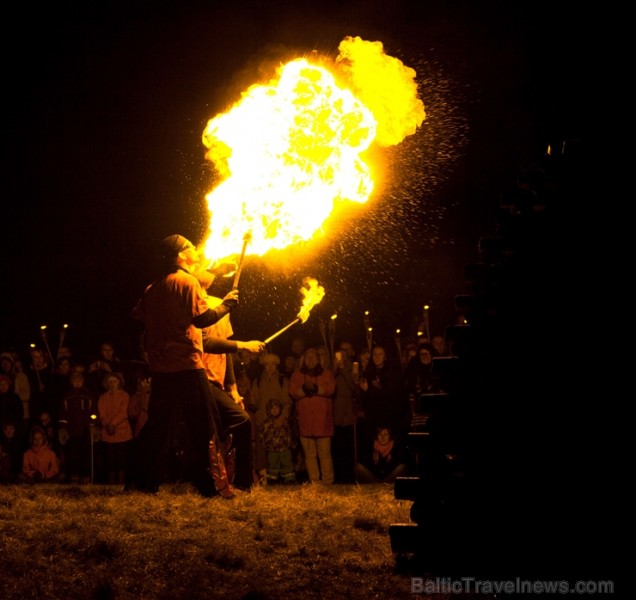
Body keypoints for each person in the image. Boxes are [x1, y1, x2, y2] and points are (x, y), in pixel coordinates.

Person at [126, 234, 239, 498]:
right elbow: (203, 319)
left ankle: (141, 482)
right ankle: (213, 486)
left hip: (161, 369)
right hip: (188, 366)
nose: (195, 249)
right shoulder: (187, 281)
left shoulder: (153, 288)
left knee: (157, 427)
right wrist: (227, 304)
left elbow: (137, 314)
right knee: (205, 426)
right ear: (180, 256)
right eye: (190, 247)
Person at [195, 265, 265, 492]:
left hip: (218, 380)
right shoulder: (193, 304)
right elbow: (208, 343)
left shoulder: (219, 302)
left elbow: (225, 349)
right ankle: (240, 484)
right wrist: (244, 345)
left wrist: (233, 386)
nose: (206, 267)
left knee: (228, 429)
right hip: (199, 376)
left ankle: (228, 481)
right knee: (240, 421)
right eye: (199, 265)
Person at [289, 347, 336, 485]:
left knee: (324, 453)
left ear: (318, 359)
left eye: (313, 356)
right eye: (307, 356)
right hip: (305, 420)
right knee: (309, 454)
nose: (310, 359)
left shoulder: (326, 374)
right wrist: (304, 390)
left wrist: (316, 389)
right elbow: (293, 392)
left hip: (323, 420)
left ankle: (328, 481)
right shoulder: (297, 375)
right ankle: (315, 481)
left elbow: (331, 390)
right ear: (303, 359)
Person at [249, 353, 291, 484]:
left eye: (273, 364)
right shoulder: (258, 380)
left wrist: (282, 417)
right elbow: (254, 400)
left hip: (278, 422)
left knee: (280, 450)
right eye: (267, 364)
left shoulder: (282, 380)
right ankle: (263, 477)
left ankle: (281, 477)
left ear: (276, 365)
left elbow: (287, 401)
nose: (270, 367)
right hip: (262, 420)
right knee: (261, 451)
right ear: (264, 365)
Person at [58, 370, 95, 484]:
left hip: (85, 430)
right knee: (73, 454)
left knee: (85, 454)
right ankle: (74, 475)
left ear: (83, 381)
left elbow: (93, 412)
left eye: (80, 379)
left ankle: (86, 475)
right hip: (71, 431)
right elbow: (62, 413)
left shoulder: (88, 395)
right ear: (71, 382)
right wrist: (63, 427)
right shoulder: (67, 396)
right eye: (75, 379)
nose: (77, 382)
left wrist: (93, 423)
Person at [98, 371, 133, 484]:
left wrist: (113, 423)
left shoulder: (124, 395)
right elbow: (101, 413)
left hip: (122, 432)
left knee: (122, 458)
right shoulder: (103, 397)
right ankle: (111, 482)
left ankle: (122, 481)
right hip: (108, 433)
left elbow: (124, 412)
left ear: (119, 383)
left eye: (114, 381)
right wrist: (107, 424)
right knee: (110, 459)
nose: (112, 384)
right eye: (110, 382)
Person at [260, 398, 296, 484]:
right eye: (272, 408)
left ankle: (289, 480)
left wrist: (290, 443)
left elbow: (290, 432)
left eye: (277, 408)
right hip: (272, 449)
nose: (275, 410)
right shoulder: (266, 423)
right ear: (269, 410)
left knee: (287, 464)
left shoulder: (285, 421)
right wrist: (265, 444)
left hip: (285, 448)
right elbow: (262, 435)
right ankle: (273, 480)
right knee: (272, 465)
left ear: (280, 409)